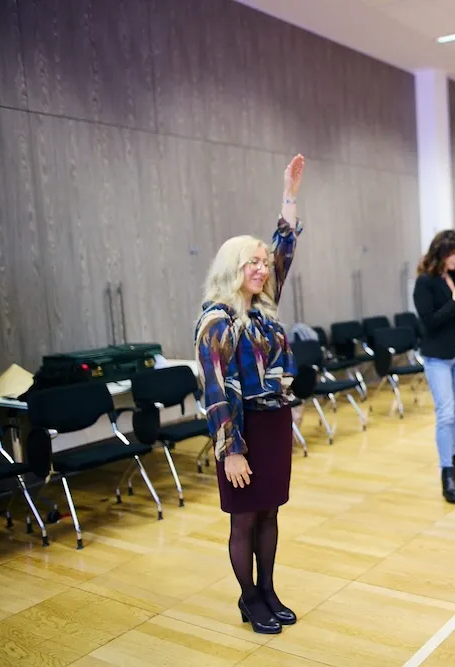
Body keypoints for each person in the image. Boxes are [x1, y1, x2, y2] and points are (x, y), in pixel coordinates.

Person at [195, 154, 305, 635]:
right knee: (243, 520)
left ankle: (269, 589)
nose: (262, 268)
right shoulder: (216, 320)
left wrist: (289, 195)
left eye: (263, 262)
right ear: (232, 268)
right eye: (252, 263)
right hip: (239, 429)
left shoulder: (263, 308)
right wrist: (231, 450)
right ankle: (248, 597)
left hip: (273, 422)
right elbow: (217, 392)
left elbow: (286, 248)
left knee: (270, 512)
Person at [413, 229, 455, 503]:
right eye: (454, 253)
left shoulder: (454, 277)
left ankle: (452, 462)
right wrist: (454, 301)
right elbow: (430, 321)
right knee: (446, 414)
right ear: (441, 253)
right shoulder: (424, 283)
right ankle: (445, 474)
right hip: (438, 356)